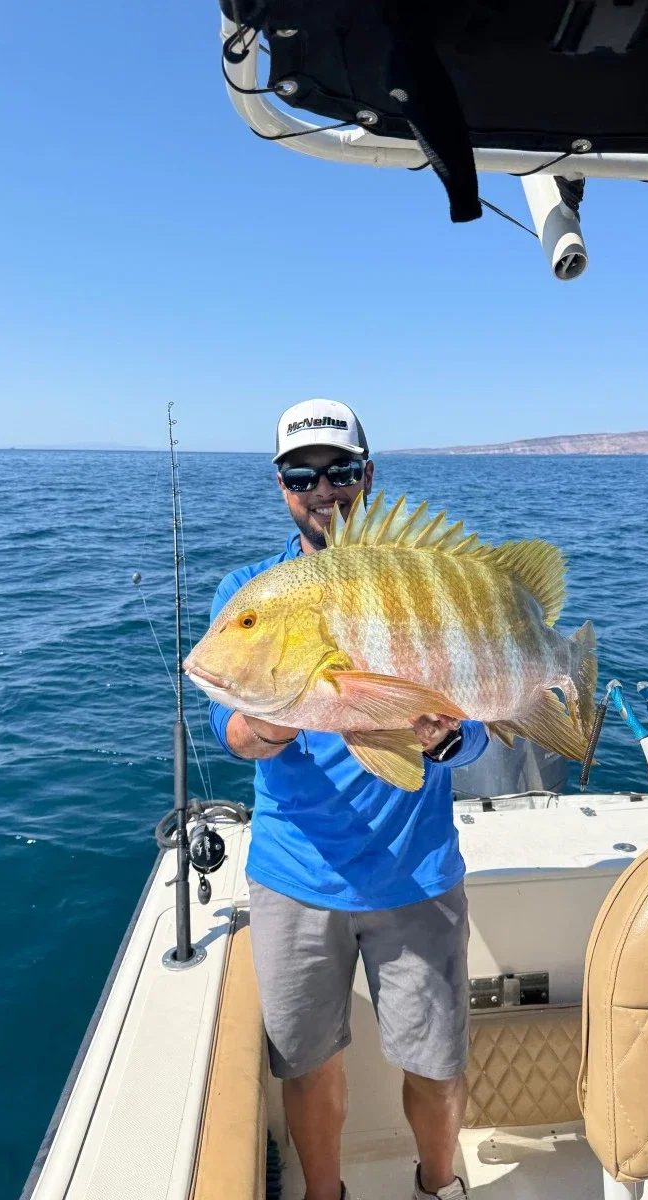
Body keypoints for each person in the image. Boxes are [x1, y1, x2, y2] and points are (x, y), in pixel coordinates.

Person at [209, 398, 488, 1200]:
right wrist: (274, 718)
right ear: (281, 486)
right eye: (302, 476)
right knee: (307, 1067)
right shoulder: (252, 592)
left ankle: (440, 1186)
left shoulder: (420, 583)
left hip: (417, 872)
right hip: (296, 877)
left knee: (436, 1065)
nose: (323, 490)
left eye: (340, 471)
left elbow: (474, 729)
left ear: (368, 474)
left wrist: (445, 738)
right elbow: (232, 731)